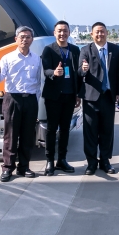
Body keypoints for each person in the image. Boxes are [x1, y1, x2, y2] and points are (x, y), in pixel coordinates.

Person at [0, 26, 41, 182]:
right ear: (16, 39)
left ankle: (24, 167)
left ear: (32, 40)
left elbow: (39, 82)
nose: (25, 39)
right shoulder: (7, 58)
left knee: (28, 135)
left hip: (31, 99)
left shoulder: (36, 58)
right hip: (12, 98)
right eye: (22, 37)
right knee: (10, 136)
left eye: (28, 37)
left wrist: (35, 99)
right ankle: (7, 168)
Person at [78, 22, 119, 175]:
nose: (100, 34)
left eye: (102, 32)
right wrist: (83, 70)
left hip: (108, 97)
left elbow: (118, 74)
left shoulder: (115, 49)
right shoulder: (85, 50)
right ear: (92, 34)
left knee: (107, 131)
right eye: (97, 32)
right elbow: (80, 71)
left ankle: (105, 160)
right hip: (91, 97)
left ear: (106, 33)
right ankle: (91, 163)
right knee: (90, 131)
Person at [40, 20, 80, 176]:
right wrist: (54, 73)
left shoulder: (75, 50)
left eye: (65, 31)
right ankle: (49, 160)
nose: (62, 33)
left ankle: (62, 160)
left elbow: (77, 74)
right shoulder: (48, 50)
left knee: (65, 129)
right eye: (59, 31)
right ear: (54, 33)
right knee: (51, 129)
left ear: (69, 33)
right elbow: (46, 70)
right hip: (53, 96)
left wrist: (78, 94)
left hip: (70, 95)